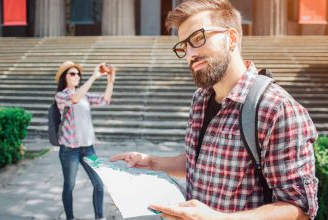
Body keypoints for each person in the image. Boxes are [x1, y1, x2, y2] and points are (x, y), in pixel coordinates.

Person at [110, 0, 318, 219]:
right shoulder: (200, 98)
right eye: (184, 46)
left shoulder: (277, 109)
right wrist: (152, 162)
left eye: (198, 39)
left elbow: (299, 209)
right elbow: (200, 162)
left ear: (232, 38)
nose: (190, 54)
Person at [55, 61, 115, 220]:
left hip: (88, 149)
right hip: (69, 150)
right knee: (69, 185)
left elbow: (105, 100)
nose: (76, 76)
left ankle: (99, 217)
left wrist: (110, 80)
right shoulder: (61, 96)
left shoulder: (85, 95)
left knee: (99, 184)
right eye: (72, 74)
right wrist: (94, 76)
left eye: (78, 74)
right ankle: (70, 218)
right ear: (64, 77)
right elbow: (74, 98)